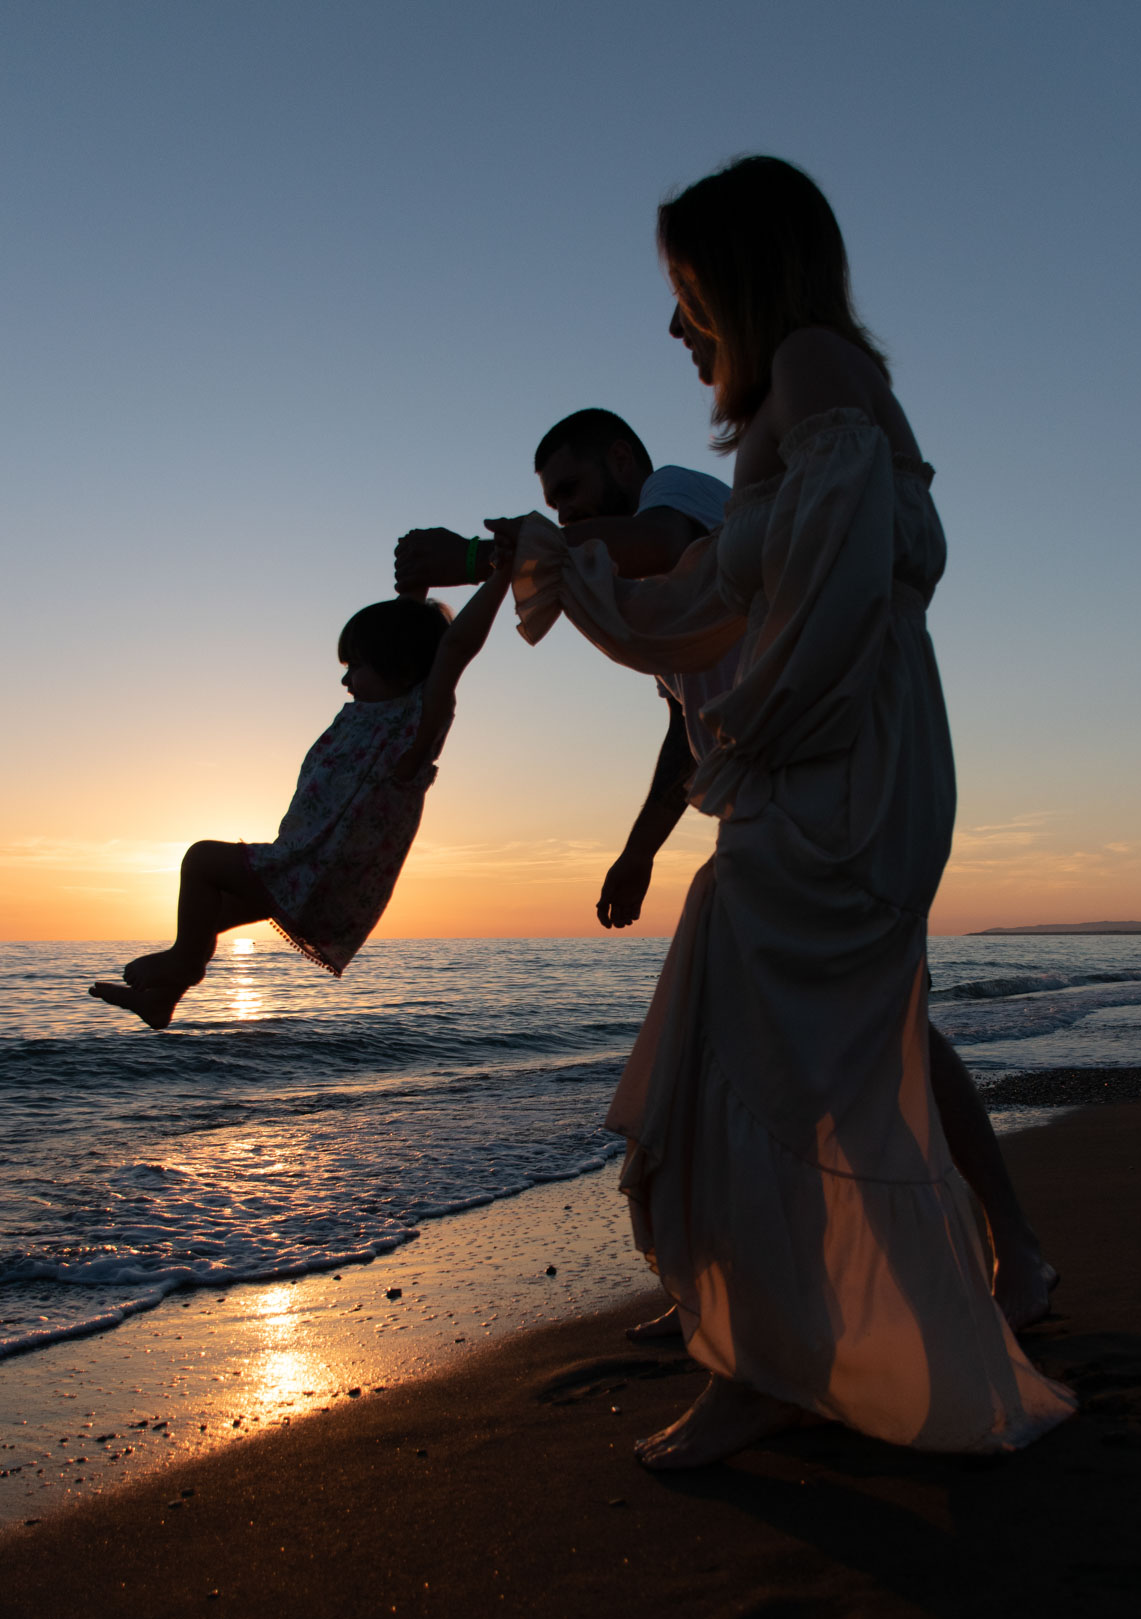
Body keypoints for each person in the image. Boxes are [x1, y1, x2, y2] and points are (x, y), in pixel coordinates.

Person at [491, 155, 1076, 1468]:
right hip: (838, 759)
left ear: (743, 276)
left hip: (836, 772)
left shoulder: (810, 368)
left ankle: (765, 1360)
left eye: (688, 290)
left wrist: (753, 739)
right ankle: (803, 1334)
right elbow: (709, 605)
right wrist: (554, 573)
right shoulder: (798, 396)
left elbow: (834, 576)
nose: (674, 324)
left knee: (749, 1053)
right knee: (801, 1054)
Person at [397, 415, 1058, 1333]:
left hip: (829, 795)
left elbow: (658, 537)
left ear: (623, 462)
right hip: (760, 812)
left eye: (573, 493)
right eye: (553, 505)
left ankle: (1010, 1248)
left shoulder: (683, 498)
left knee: (884, 1029)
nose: (568, 516)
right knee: (728, 1055)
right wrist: (639, 849)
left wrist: (485, 556)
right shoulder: (659, 595)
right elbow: (686, 731)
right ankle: (720, 1285)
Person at [89, 575, 509, 1029]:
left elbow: (454, 648)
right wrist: (417, 585)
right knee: (207, 913)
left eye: (357, 667)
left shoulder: (414, 728)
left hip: (316, 871)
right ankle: (161, 1001)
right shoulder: (371, 714)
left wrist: (503, 571)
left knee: (201, 859)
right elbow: (404, 631)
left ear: (401, 668)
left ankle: (184, 964)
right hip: (306, 869)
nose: (345, 679)